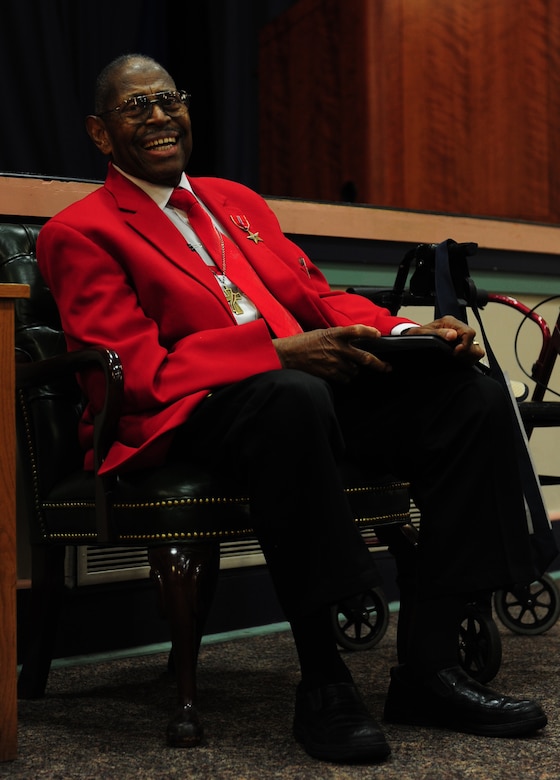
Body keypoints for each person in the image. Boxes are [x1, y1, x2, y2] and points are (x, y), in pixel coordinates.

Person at [37, 53, 549, 764]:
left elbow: (317, 297)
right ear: (100, 134)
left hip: (297, 391)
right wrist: (274, 354)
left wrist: (409, 332)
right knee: (293, 397)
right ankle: (325, 681)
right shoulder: (80, 232)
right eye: (136, 107)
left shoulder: (235, 201)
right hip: (193, 413)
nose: (158, 116)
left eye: (168, 99)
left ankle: (430, 669)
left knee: (470, 397)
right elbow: (135, 373)